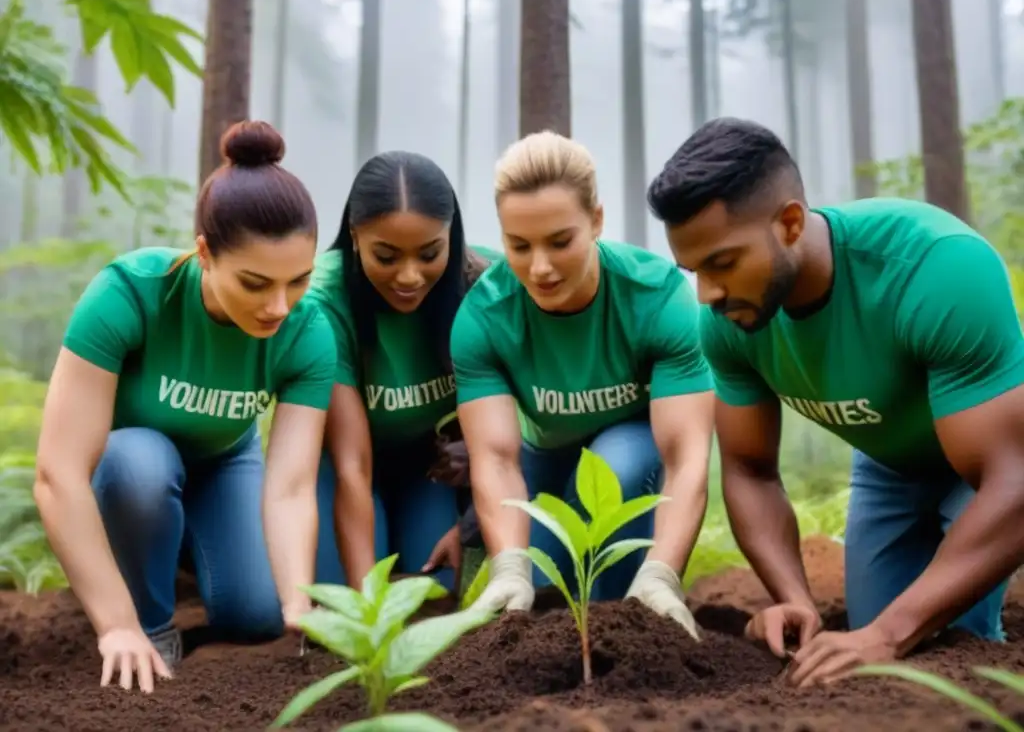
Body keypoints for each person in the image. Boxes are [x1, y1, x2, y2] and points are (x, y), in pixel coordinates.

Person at [647, 116, 1024, 687]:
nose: (708, 295)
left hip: (988, 460)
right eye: (694, 271)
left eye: (722, 263)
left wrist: (889, 633)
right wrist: (795, 599)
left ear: (791, 223)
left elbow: (1013, 481)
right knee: (865, 653)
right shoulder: (727, 322)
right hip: (888, 468)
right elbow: (749, 470)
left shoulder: (936, 269)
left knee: (952, 649)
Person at [33, 121, 337, 694]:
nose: (278, 306)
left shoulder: (310, 330)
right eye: (255, 282)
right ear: (204, 254)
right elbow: (58, 474)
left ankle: (188, 550)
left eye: (298, 280)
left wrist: (299, 596)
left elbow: (292, 485)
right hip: (129, 465)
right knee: (138, 464)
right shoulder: (129, 293)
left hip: (226, 461)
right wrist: (117, 626)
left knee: (257, 616)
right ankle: (147, 621)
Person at [450, 131, 715, 637]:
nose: (540, 268)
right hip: (542, 455)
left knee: (613, 472)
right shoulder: (484, 317)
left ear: (596, 220)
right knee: (533, 602)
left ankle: (629, 614)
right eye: (519, 246)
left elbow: (686, 457)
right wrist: (509, 564)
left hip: (635, 448)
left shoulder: (656, 296)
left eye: (560, 241)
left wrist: (662, 574)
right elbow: (497, 458)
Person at [307, 151, 501, 594]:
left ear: (451, 236)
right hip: (340, 467)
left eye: (430, 253)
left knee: (429, 586)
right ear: (356, 236)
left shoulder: (487, 284)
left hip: (428, 471)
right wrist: (367, 609)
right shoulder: (323, 302)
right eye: (387, 256)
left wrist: (477, 452)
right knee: (341, 594)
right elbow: (352, 464)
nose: (410, 276)